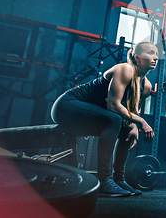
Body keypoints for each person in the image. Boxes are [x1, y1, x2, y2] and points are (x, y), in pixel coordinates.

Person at [51, 41, 158, 197]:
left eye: (156, 54)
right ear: (137, 58)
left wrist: (134, 126)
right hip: (67, 107)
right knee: (114, 119)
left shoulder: (146, 86)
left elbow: (132, 110)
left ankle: (118, 179)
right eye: (150, 53)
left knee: (127, 129)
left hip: (92, 115)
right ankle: (104, 180)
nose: (155, 58)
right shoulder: (125, 69)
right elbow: (113, 105)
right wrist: (141, 122)